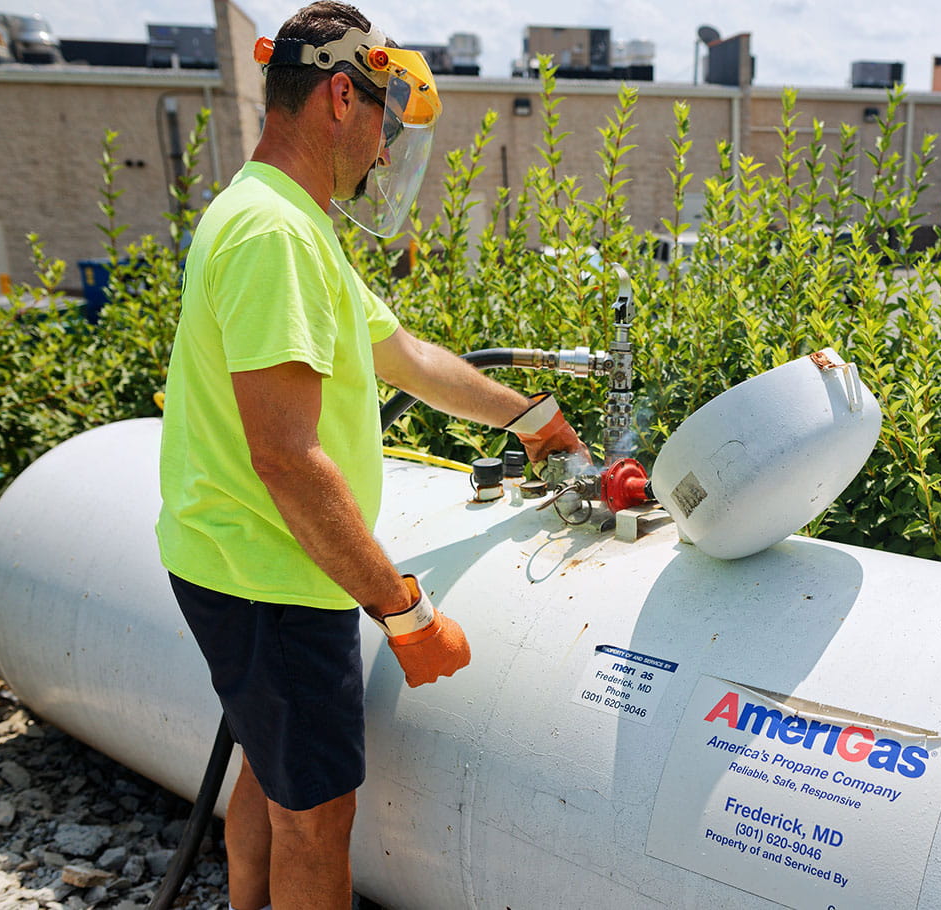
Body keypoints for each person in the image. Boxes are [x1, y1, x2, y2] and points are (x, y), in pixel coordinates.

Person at [154, 4, 586, 908]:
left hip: (238, 559)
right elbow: (285, 455)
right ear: (340, 97)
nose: (386, 155)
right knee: (317, 818)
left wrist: (532, 416)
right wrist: (405, 611)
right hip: (268, 573)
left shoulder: (284, 219)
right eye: (386, 127)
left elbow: (405, 358)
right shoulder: (276, 237)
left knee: (271, 779)